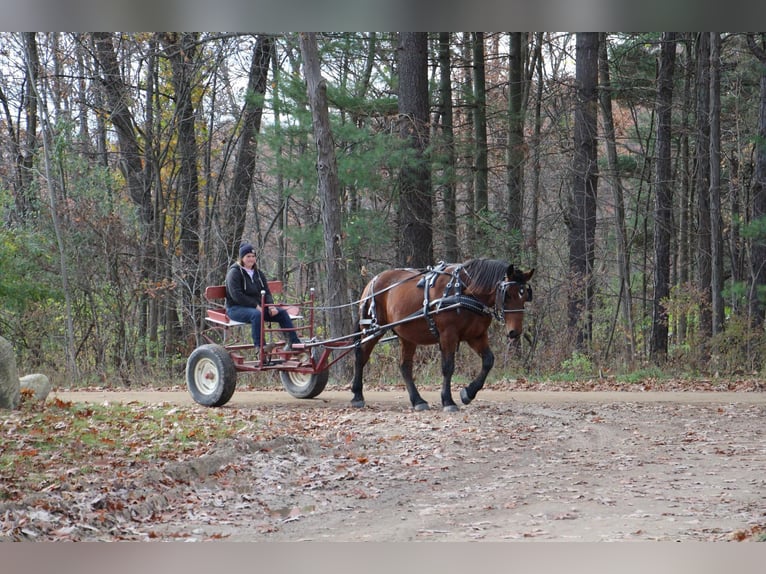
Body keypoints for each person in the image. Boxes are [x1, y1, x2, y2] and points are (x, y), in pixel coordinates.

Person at [225, 243, 300, 357]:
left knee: (282, 313)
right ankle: (260, 348)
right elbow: (237, 295)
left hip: (258, 307)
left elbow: (267, 291)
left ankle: (294, 344)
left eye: (253, 256)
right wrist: (255, 305)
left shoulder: (258, 274)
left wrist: (270, 306)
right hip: (236, 308)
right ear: (242, 258)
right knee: (256, 315)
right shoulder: (234, 273)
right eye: (248, 256)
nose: (251, 259)